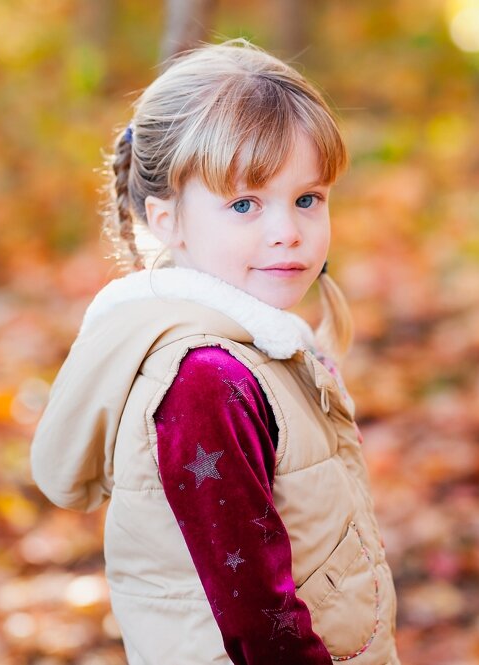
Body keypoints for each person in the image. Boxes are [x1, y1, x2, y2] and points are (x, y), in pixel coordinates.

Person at [29, 37, 399, 665]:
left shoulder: (263, 349)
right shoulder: (206, 380)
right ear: (166, 220)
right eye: (244, 204)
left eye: (307, 199)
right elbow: (258, 619)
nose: (287, 232)